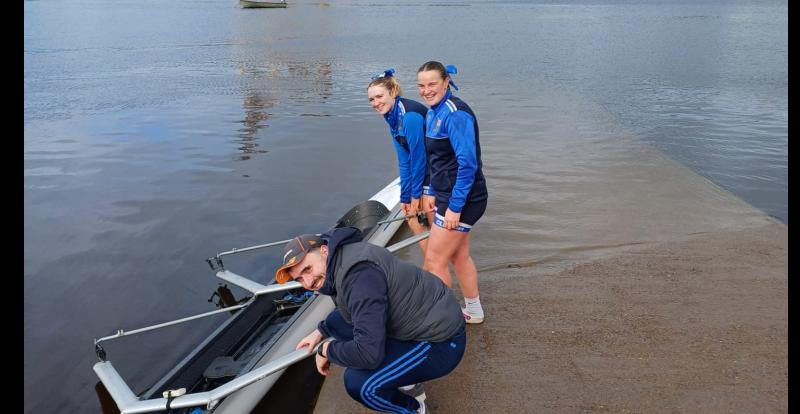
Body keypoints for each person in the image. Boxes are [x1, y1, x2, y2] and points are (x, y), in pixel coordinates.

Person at [274, 228, 466, 414]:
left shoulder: (358, 275)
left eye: (308, 269)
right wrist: (321, 332)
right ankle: (409, 381)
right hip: (422, 317)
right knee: (342, 329)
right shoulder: (342, 257)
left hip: (442, 340)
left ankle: (414, 408)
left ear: (324, 250)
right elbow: (352, 308)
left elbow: (368, 354)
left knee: (361, 384)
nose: (308, 283)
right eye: (299, 279)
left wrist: (325, 350)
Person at [416, 61, 488, 324]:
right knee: (459, 256)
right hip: (448, 194)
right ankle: (474, 311)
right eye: (421, 85)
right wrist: (433, 190)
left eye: (432, 84)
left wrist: (455, 207)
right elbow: (439, 160)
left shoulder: (455, 114)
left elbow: (468, 165)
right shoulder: (432, 113)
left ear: (446, 82)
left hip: (465, 198)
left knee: (434, 262)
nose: (426, 90)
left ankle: (442, 321)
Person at [368, 68, 435, 254]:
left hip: (438, 167)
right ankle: (432, 261)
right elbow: (404, 161)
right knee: (410, 216)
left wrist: (416, 197)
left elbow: (419, 159)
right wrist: (405, 198)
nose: (376, 103)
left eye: (379, 96)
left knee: (429, 215)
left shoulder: (409, 116)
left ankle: (437, 261)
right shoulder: (390, 116)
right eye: (371, 99)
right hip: (424, 167)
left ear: (393, 92)